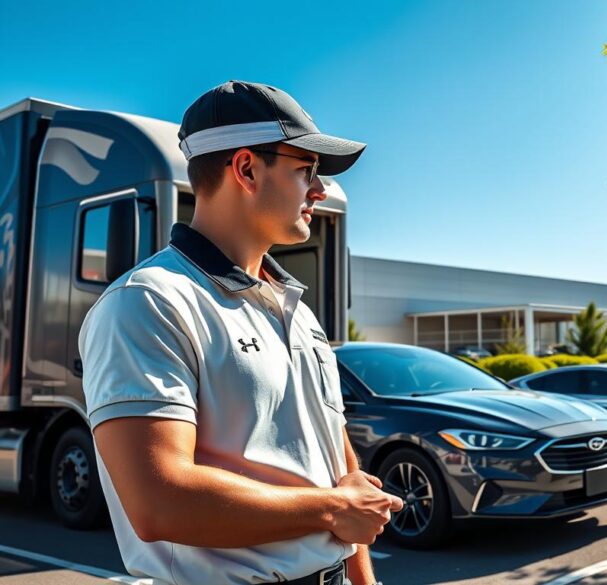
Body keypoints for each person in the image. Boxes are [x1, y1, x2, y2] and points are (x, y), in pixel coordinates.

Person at [79, 80, 402, 585]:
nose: (320, 191)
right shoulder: (149, 302)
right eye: (305, 171)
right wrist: (332, 508)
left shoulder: (301, 312)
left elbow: (340, 467)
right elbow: (159, 502)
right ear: (247, 168)